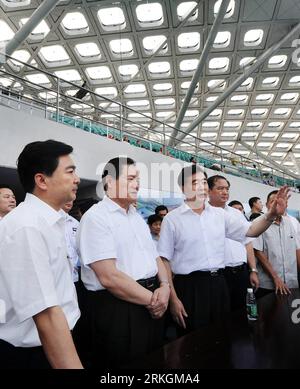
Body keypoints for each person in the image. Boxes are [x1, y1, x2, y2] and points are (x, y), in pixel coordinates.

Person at [158, 164, 289, 336]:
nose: (201, 187)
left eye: (204, 182)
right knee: (192, 341)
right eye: (195, 182)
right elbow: (164, 260)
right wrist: (173, 299)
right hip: (190, 288)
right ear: (183, 188)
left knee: (222, 337)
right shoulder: (172, 219)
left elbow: (250, 231)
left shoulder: (220, 215)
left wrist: (271, 214)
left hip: (219, 284)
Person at [77, 157, 170, 368]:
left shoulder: (136, 217)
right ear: (110, 182)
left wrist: (164, 286)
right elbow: (109, 276)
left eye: (138, 178)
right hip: (118, 308)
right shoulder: (96, 218)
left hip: (152, 299)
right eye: (130, 178)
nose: (137, 183)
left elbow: (154, 257)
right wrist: (155, 300)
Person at [0, 140, 83, 369]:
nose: (77, 179)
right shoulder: (27, 226)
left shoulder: (50, 221)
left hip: (55, 339)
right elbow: (45, 314)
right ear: (42, 180)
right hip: (34, 351)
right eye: (70, 171)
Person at [208, 176, 259, 311]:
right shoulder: (203, 215)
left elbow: (248, 243)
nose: (225, 192)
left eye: (227, 189)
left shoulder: (236, 214)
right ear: (208, 191)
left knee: (244, 312)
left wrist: (253, 270)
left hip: (242, 272)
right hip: (219, 275)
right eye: (220, 188)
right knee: (222, 315)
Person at [253, 190, 300, 298]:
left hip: (291, 283)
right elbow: (259, 253)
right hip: (269, 285)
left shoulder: (290, 223)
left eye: (280, 202)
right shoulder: (258, 223)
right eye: (273, 202)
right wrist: (276, 278)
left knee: (291, 313)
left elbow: (296, 249)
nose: (276, 205)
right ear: (266, 205)